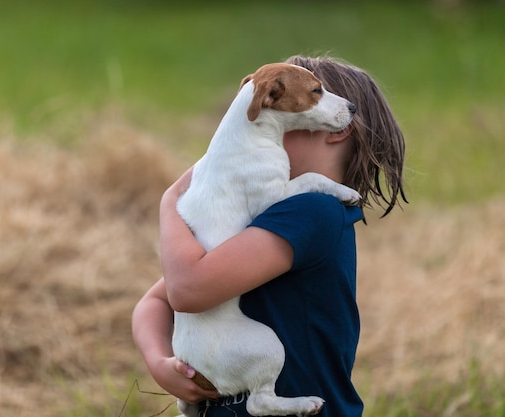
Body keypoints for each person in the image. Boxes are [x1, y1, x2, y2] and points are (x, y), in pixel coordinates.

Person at [132, 55, 407, 417]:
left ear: (336, 128)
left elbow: (186, 290)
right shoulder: (254, 215)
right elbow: (155, 301)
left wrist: (170, 202)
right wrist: (159, 363)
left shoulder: (312, 211)